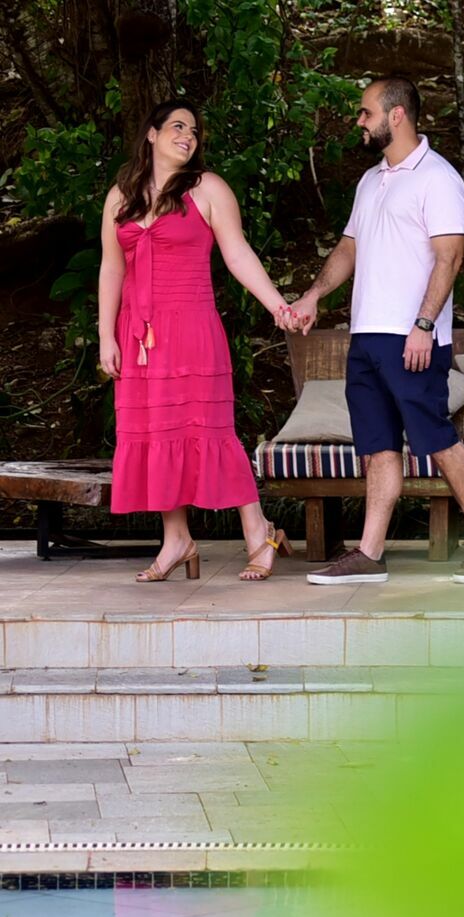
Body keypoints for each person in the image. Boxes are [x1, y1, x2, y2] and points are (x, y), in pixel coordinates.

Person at [283, 74, 464, 585]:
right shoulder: (371, 180)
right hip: (366, 337)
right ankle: (370, 553)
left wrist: (424, 324)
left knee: (436, 438)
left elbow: (450, 257)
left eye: (366, 112)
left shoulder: (438, 178)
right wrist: (314, 295)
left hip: (413, 337)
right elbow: (348, 250)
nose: (359, 121)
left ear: (396, 115)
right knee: (377, 446)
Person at [99, 98, 292, 582]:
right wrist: (106, 335)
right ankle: (177, 540)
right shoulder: (121, 195)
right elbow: (111, 267)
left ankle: (259, 532)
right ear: (151, 134)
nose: (188, 135)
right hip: (139, 335)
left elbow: (238, 253)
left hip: (191, 328)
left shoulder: (208, 189)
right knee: (154, 435)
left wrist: (277, 305)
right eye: (178, 126)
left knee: (211, 430)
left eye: (195, 130)